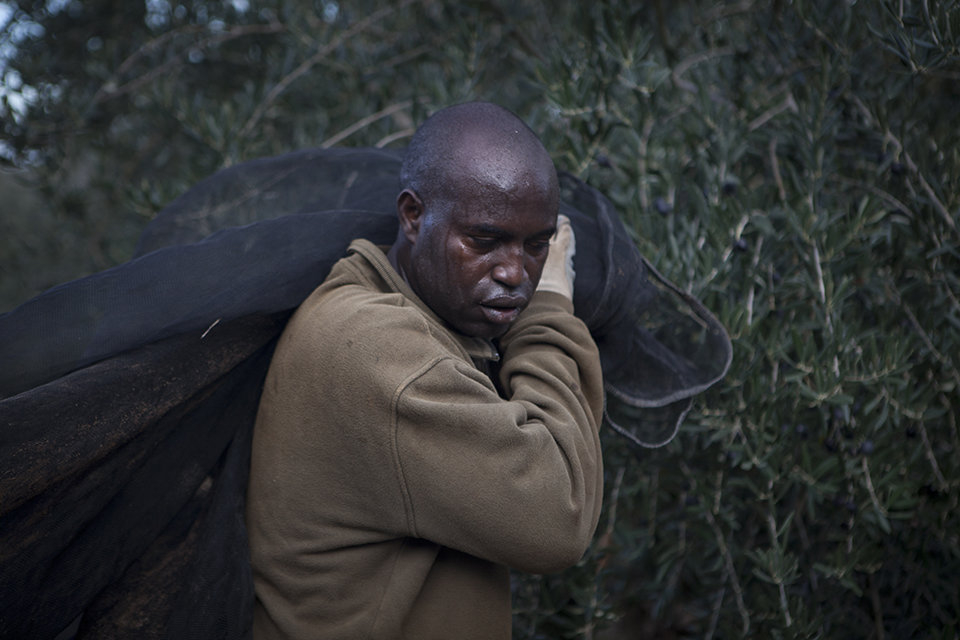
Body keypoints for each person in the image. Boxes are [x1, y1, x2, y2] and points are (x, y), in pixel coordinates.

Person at [245, 102, 605, 639]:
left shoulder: (382, 309)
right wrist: (549, 308)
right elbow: (559, 513)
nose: (515, 273)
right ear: (413, 216)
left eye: (537, 246)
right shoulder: (378, 353)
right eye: (483, 240)